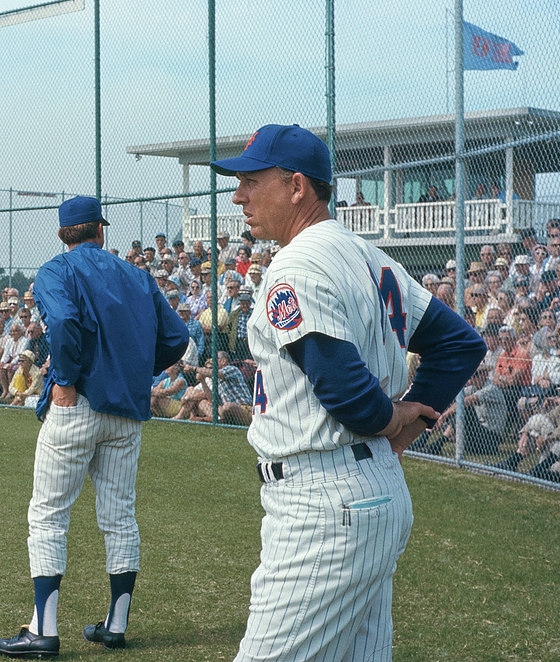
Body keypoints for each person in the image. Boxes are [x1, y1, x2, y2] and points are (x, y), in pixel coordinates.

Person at [209, 123, 486, 662]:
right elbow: (458, 344)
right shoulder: (370, 256)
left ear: (296, 186)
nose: (238, 195)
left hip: (323, 503)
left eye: (250, 180)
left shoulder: (296, 264)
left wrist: (394, 417)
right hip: (368, 487)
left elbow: (348, 395)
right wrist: (406, 424)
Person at [0, 196, 189, 657]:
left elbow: (63, 320)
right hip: (124, 412)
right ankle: (115, 624)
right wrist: (134, 370)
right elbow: (178, 339)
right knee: (119, 515)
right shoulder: (137, 274)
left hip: (77, 403)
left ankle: (42, 630)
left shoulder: (55, 270)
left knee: (48, 514)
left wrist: (63, 378)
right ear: (100, 230)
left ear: (64, 234)